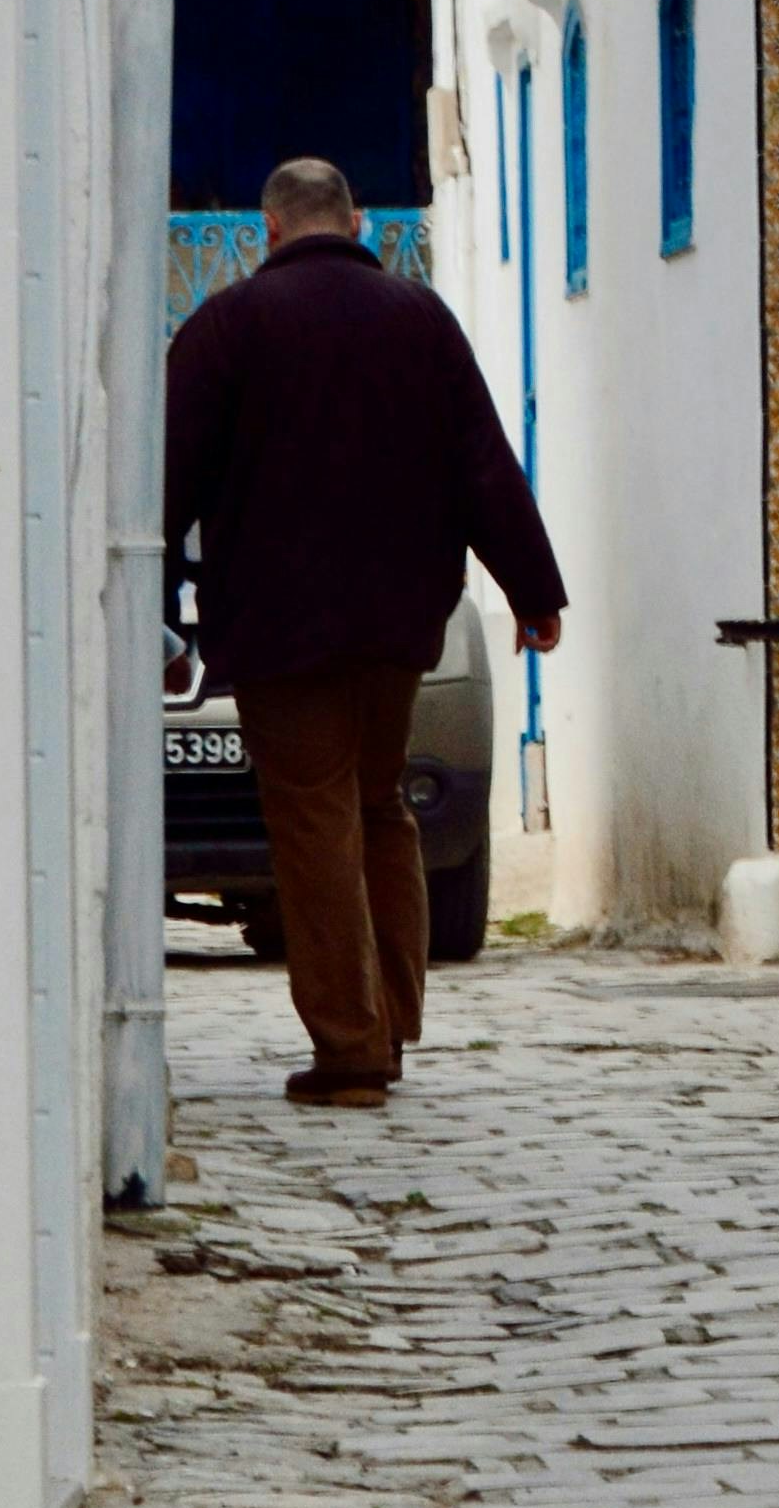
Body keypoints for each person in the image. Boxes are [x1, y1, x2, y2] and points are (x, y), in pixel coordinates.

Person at [164, 157, 566, 1108]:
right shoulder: (421, 321)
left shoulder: (225, 327)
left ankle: (351, 1048)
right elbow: (484, 464)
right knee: (378, 799)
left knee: (312, 816)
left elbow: (168, 478)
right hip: (398, 627)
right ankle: (392, 1015)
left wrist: (150, 605)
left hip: (278, 629)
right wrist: (532, 591)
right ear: (355, 219)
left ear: (268, 228)